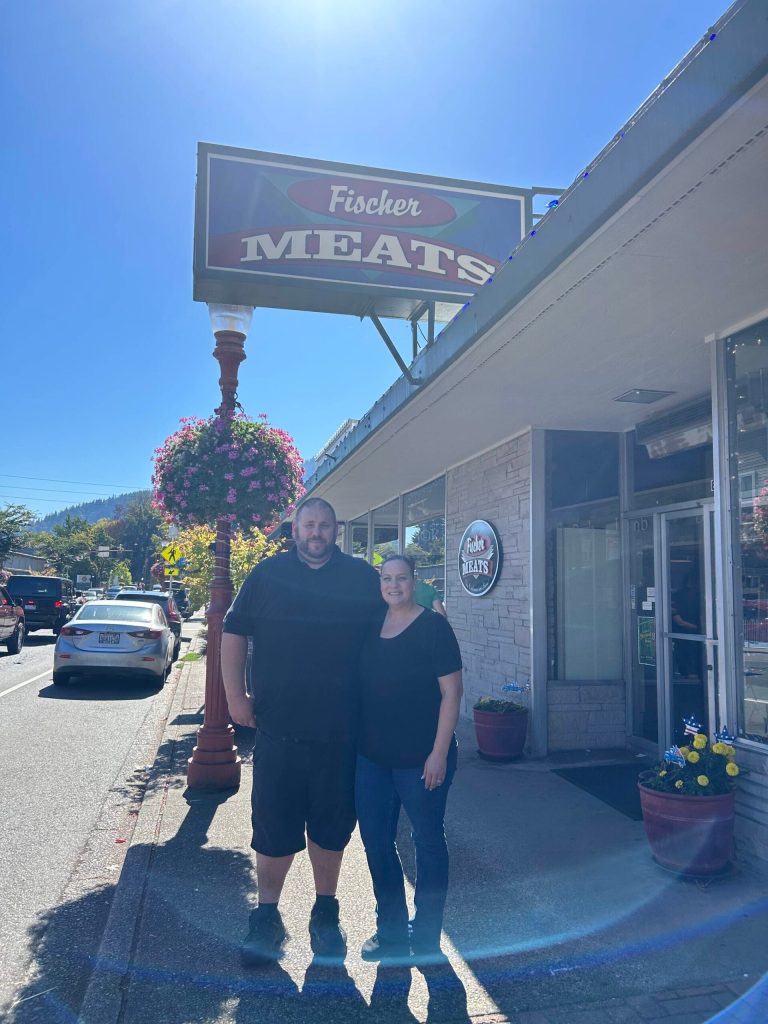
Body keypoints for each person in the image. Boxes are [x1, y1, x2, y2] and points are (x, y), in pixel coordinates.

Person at [221, 498, 383, 967]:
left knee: (332, 828)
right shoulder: (267, 575)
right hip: (279, 730)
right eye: (309, 525)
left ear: (336, 530)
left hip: (342, 732)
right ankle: (266, 918)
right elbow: (234, 632)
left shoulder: (361, 577)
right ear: (294, 530)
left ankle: (325, 913)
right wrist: (235, 697)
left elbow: (392, 627)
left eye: (324, 525)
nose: (316, 532)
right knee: (273, 828)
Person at [355, 553, 463, 964]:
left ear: (414, 582)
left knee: (428, 841)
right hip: (373, 758)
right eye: (387, 578)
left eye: (401, 578)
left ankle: (428, 935)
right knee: (376, 841)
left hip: (421, 760)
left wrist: (438, 753)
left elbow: (452, 693)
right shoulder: (370, 625)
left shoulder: (434, 627)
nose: (394, 585)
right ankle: (392, 931)